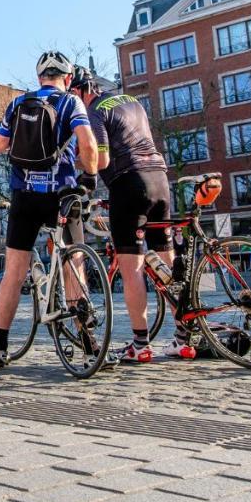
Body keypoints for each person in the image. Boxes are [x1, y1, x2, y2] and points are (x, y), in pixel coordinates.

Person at [72, 67, 195, 363]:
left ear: (80, 90)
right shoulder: (132, 101)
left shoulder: (95, 111)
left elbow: (101, 158)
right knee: (167, 263)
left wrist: (76, 164)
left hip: (129, 185)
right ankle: (183, 338)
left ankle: (141, 344)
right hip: (160, 180)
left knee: (133, 269)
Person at [0, 51, 99, 368]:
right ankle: (90, 345)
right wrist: (88, 179)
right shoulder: (70, 103)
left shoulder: (17, 103)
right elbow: (88, 144)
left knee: (14, 270)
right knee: (73, 264)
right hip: (60, 194)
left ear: (39, 78)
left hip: (24, 194)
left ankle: (0, 345)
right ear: (67, 79)